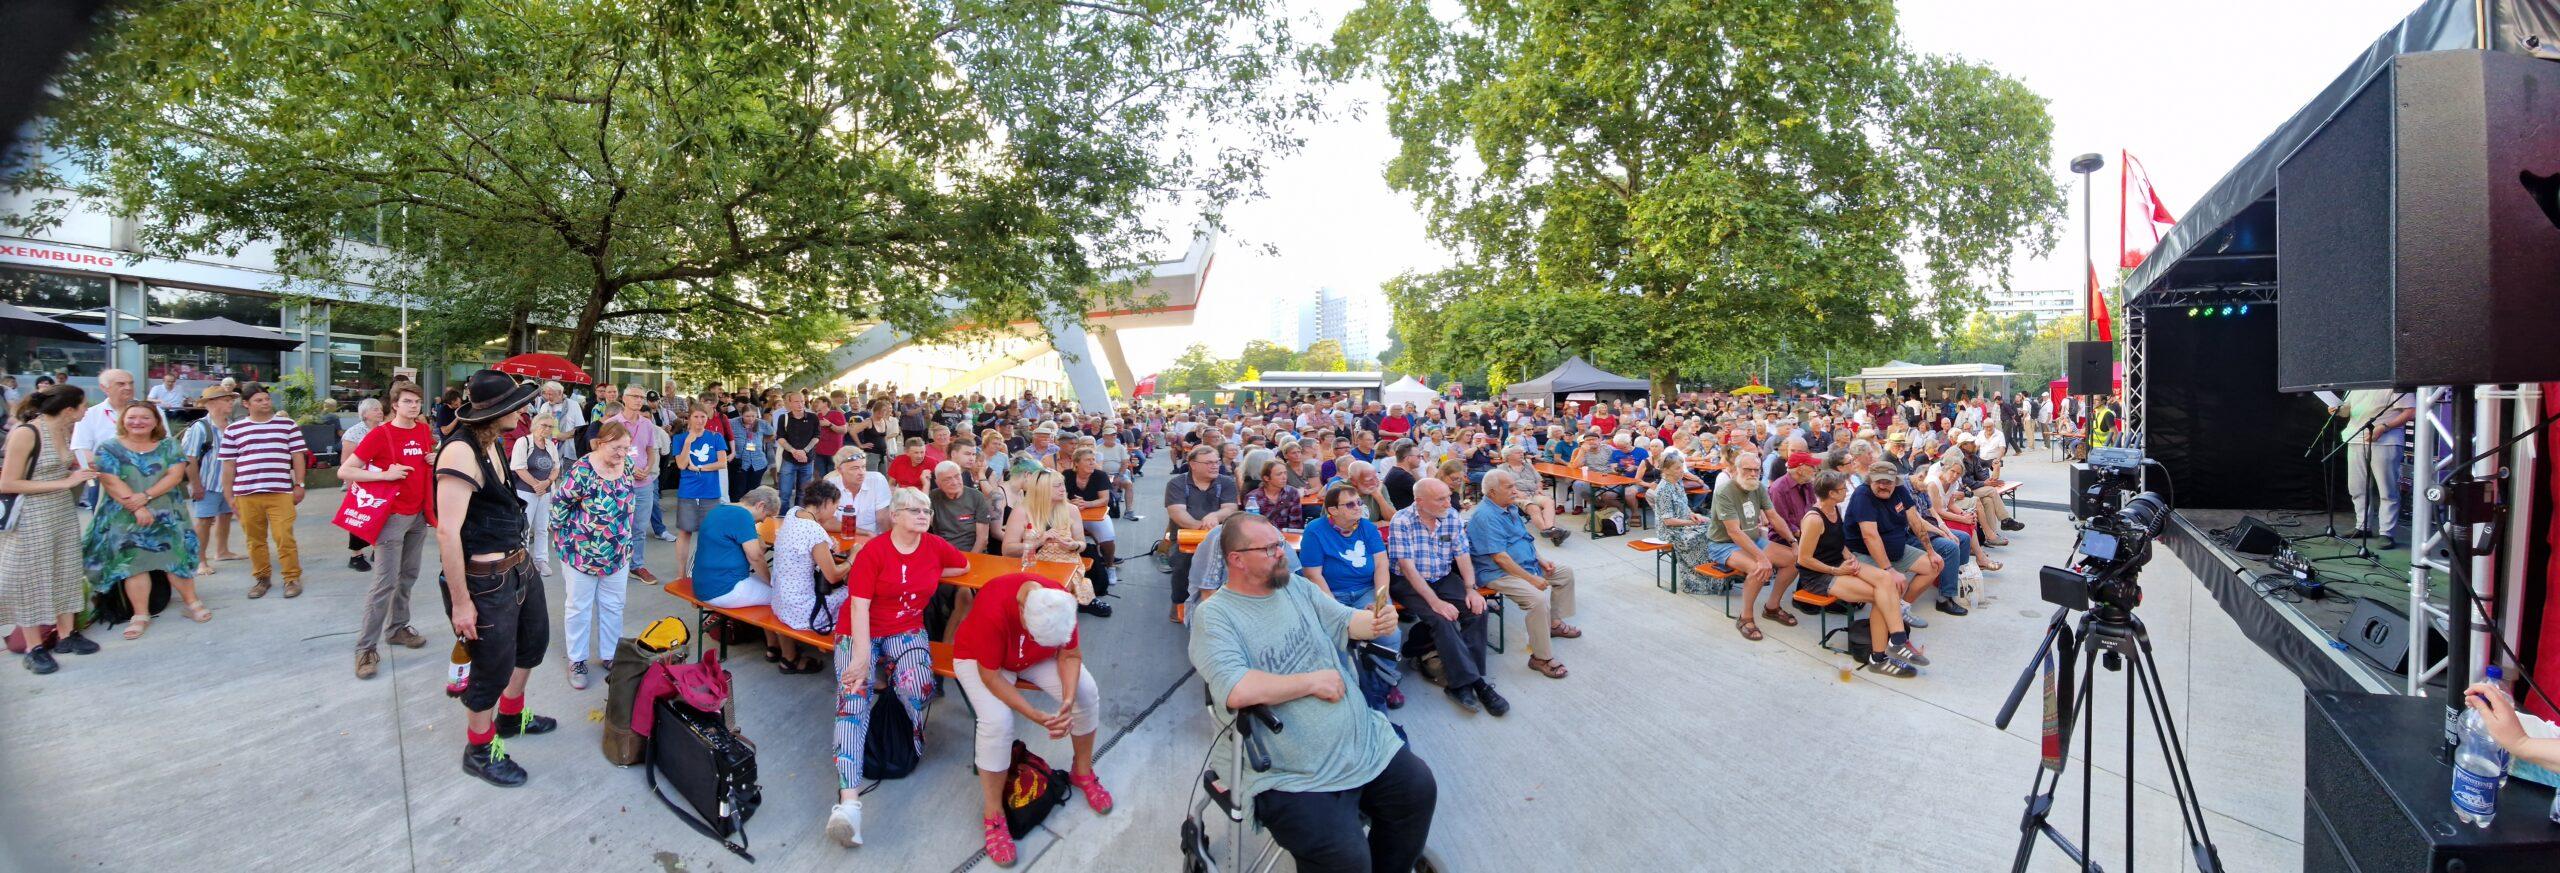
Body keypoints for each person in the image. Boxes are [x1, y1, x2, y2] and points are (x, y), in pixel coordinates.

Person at [1190, 513, 1433, 872]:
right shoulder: (1216, 616)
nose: (1284, 554)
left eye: (1281, 544)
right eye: (1271, 548)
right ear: (1236, 559)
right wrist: (1311, 682)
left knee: (1418, 791)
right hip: (1291, 772)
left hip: (1361, 742)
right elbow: (1237, 688)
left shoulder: (1295, 587)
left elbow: (1345, 620)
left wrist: (1378, 621)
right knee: (1346, 861)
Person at [820, 488, 971, 849]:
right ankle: (849, 804)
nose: (923, 515)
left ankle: (908, 740)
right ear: (896, 516)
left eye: (927, 510)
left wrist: (936, 568)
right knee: (853, 697)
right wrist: (859, 657)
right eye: (914, 510)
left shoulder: (933, 546)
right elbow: (858, 608)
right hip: (861, 630)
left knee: (919, 685)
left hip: (906, 629)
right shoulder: (874, 550)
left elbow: (963, 565)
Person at [434, 370, 556, 786]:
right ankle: (480, 748)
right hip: (485, 582)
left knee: (533, 644)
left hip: (519, 568)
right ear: (497, 411)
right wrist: (462, 600)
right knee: (491, 668)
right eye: (517, 404)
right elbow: (447, 531)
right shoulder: (458, 453)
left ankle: (510, 716)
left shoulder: (492, 444)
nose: (524, 410)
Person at [86, 400, 208, 640]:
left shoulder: (169, 446)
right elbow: (110, 480)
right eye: (132, 417)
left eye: (145, 417)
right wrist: (136, 505)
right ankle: (140, 614)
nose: (138, 422)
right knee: (135, 563)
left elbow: (175, 475)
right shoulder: (108, 448)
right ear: (123, 421)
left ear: (156, 422)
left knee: (175, 558)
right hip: (125, 513)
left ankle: (191, 602)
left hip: (167, 512)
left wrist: (147, 496)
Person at [341, 384, 438, 678]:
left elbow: (426, 460)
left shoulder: (422, 431)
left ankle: (397, 628)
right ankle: (365, 648)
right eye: (407, 401)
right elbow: (345, 471)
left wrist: (434, 458)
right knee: (384, 583)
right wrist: (385, 474)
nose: (414, 406)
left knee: (408, 576)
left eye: (417, 401)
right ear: (394, 405)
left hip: (419, 515)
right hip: (392, 517)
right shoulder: (380, 434)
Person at [4, 385, 101, 672]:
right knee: (33, 578)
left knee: (66, 570)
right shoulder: (26, 433)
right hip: (32, 517)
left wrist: (78, 469)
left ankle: (66, 634)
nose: (86, 410)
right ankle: (34, 648)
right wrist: (66, 482)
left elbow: (56, 466)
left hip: (60, 513)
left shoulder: (64, 430)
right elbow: (7, 483)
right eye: (83, 406)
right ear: (69, 409)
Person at [1794, 471, 1928, 676]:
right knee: (1879, 596)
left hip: (1840, 564)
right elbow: (1803, 559)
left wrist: (1850, 557)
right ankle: (1881, 655)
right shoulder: (1813, 519)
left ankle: (1895, 640)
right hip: (1820, 575)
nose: (1846, 491)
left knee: (1886, 581)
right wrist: (1836, 570)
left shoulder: (1835, 509)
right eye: (1841, 489)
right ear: (1830, 493)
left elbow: (1838, 543)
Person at [1391, 478, 1504, 715]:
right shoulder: (1401, 520)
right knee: (1442, 619)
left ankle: (1463, 680)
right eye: (1440, 499)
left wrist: (1471, 589)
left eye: (1447, 496)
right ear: (1420, 502)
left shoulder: (1450, 515)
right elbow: (1408, 569)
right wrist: (1435, 602)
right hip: (1408, 581)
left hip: (1442, 576)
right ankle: (1474, 684)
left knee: (1477, 609)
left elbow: (1462, 555)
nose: (1447, 502)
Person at [549, 420, 646, 691]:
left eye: (627, 448)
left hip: (617, 552)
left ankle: (611, 656)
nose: (623, 454)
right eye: (617, 448)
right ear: (600, 443)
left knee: (613, 605)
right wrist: (566, 541)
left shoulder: (626, 465)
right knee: (578, 608)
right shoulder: (582, 470)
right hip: (581, 553)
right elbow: (559, 508)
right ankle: (577, 660)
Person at [1470, 470, 1581, 680]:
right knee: (1537, 599)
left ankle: (1553, 624)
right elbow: (1500, 558)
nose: (1515, 490)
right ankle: (1540, 657)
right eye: (1509, 487)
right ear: (1493, 492)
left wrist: (1540, 560)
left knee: (1564, 573)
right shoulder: (1485, 516)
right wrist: (1531, 579)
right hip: (1499, 573)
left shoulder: (1509, 507)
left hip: (1524, 565)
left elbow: (1524, 538)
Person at [1845, 463, 1963, 630]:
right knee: (1891, 582)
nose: (1883, 486)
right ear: (1870, 480)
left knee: (1935, 564)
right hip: (1863, 553)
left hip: (1896, 549)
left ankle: (1901, 607)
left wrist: (1931, 551)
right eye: (1878, 481)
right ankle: (1887, 623)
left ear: (1895, 481)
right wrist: (1888, 570)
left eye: (1888, 482)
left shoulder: (1900, 490)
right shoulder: (1862, 495)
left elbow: (1915, 520)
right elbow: (1869, 536)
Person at [1704, 450, 1801, 642]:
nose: (1753, 474)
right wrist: (1762, 558)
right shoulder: (1725, 491)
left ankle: (1772, 607)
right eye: (1748, 469)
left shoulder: (1757, 488)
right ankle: (1745, 617)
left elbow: (1774, 517)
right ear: (1736, 469)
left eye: (1756, 470)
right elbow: (1734, 532)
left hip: (1753, 539)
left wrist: (1793, 541)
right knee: (1758, 568)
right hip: (1723, 544)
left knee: (1794, 558)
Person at [221, 383, 307, 599]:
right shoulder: (234, 430)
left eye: (267, 399)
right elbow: (228, 465)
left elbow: (298, 456)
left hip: (280, 491)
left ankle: (291, 578)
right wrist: (229, 495)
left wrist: (300, 484)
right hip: (246, 493)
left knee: (284, 537)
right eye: (259, 400)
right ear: (246, 404)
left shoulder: (288, 425)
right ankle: (262, 578)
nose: (265, 403)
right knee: (254, 539)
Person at [771, 479, 848, 672]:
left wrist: (826, 544)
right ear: (827, 502)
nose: (835, 512)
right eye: (836, 507)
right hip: (802, 610)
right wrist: (854, 556)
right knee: (854, 594)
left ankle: (790, 656)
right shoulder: (814, 531)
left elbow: (803, 546)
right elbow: (833, 576)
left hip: (780, 601)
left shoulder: (793, 513)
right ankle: (849, 653)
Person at [1165, 445, 1239, 623]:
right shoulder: (1177, 483)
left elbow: (1230, 508)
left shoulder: (1227, 482)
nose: (1214, 466)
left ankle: (1229, 606)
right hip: (1185, 538)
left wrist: (1215, 515)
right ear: (1193, 464)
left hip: (1221, 537)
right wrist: (1202, 527)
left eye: (1216, 462)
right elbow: (1178, 514)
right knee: (1183, 562)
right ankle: (1178, 604)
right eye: (1209, 463)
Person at [2336, 389, 2415, 549]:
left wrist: (2385, 426)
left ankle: (2386, 532)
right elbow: (2347, 411)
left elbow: (2411, 411)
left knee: (2387, 490)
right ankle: (2362, 526)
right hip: (2355, 438)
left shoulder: (2395, 383)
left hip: (2387, 440)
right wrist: (2337, 409)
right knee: (2357, 487)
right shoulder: (2357, 385)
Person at [183, 384, 242, 576]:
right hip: (207, 483)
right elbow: (189, 458)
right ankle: (200, 561)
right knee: (204, 521)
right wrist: (195, 485)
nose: (231, 403)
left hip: (227, 484)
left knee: (225, 516)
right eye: (226, 400)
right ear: (212, 403)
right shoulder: (200, 428)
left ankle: (222, 551)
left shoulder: (231, 426)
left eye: (231, 399)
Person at [670, 407, 731, 578]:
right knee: (684, 531)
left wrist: (700, 468)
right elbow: (681, 465)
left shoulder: (715, 437)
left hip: (710, 491)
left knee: (709, 532)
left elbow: (722, 463)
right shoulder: (680, 438)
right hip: (688, 491)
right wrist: (688, 443)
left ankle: (704, 569)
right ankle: (681, 573)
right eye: (696, 416)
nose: (699, 420)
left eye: (703, 417)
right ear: (689, 418)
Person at [695, 487, 777, 610]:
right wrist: (771, 583)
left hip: (705, 585)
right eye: (767, 515)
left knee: (762, 583)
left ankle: (745, 627)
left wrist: (757, 535)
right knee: (782, 597)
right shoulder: (743, 515)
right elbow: (756, 557)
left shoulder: (719, 509)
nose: (764, 520)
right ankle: (761, 627)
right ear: (760, 505)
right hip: (724, 589)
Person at [1064, 447, 1119, 611]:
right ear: (1076, 463)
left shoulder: (1100, 475)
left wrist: (1086, 504)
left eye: (1093, 460)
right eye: (1088, 460)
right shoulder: (1067, 475)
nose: (1092, 463)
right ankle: (1072, 570)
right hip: (1072, 515)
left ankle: (1110, 566)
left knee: (1108, 538)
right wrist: (1071, 504)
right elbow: (1061, 496)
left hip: (1095, 514)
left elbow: (1104, 499)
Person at [509, 412, 565, 574]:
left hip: (545, 492)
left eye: (550, 427)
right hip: (526, 492)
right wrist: (536, 485)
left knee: (541, 528)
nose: (547, 429)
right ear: (535, 425)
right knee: (524, 528)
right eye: (544, 425)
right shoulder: (523, 442)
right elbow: (518, 467)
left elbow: (556, 468)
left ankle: (541, 561)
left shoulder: (550, 445)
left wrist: (547, 483)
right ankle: (523, 561)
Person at [341, 397, 387, 573]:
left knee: (380, 516)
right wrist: (351, 486)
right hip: (360, 483)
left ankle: (377, 549)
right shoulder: (354, 433)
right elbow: (346, 462)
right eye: (375, 409)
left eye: (380, 409)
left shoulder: (384, 429)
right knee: (359, 519)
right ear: (365, 414)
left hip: (380, 480)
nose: (380, 412)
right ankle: (356, 555)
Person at [775, 391, 823, 525]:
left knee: (803, 493)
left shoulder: (813, 417)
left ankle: (800, 521)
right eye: (796, 401)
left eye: (802, 401)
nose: (800, 404)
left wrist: (804, 451)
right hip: (789, 459)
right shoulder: (783, 418)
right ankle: (782, 521)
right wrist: (794, 451)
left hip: (807, 460)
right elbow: (780, 437)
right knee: (784, 494)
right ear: (789, 403)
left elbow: (817, 436)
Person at [822, 447, 892, 539]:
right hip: (841, 537)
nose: (861, 472)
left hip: (873, 540)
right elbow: (828, 522)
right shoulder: (830, 485)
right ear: (840, 470)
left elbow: (883, 518)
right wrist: (864, 533)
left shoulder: (877, 480)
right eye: (854, 468)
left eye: (863, 467)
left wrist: (886, 544)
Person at [1240, 452, 1305, 531]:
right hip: (1263, 537)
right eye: (1279, 474)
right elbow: (1252, 525)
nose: (1284, 477)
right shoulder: (1253, 497)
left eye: (1285, 473)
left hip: (1287, 536)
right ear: (1267, 478)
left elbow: (1295, 522)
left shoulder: (1292, 492)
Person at [729, 403, 772, 501]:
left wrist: (762, 441)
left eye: (753, 416)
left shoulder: (762, 423)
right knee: (738, 491)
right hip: (740, 464)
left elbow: (772, 434)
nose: (750, 419)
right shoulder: (732, 423)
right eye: (747, 416)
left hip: (758, 463)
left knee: (753, 492)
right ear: (741, 415)